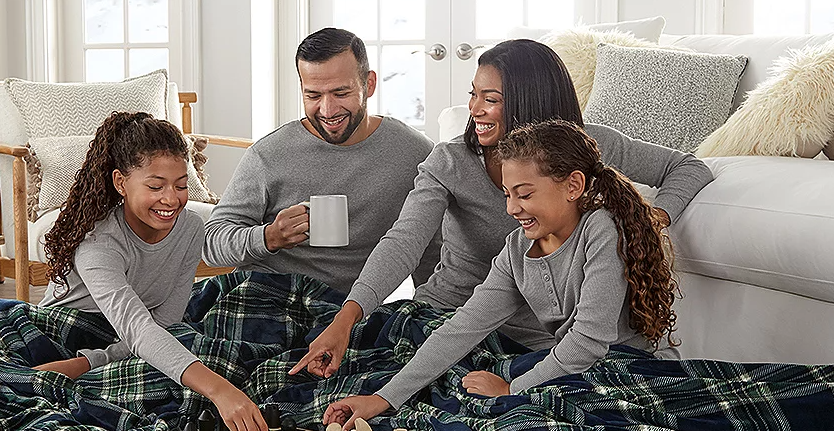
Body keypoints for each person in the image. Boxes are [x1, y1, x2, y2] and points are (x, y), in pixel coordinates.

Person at [292, 39, 710, 378]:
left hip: (537, 339)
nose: (474, 110)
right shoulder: (450, 161)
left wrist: (651, 220)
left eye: (489, 99)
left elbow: (687, 167)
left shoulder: (587, 147)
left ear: (530, 102)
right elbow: (403, 242)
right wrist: (348, 317)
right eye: (473, 95)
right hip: (451, 316)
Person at [323, 119, 680, 427]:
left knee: (510, 421)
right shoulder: (517, 248)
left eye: (524, 195)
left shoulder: (602, 230)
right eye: (508, 195)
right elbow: (464, 326)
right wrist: (383, 399)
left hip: (629, 372)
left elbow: (588, 342)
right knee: (455, 392)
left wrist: (512, 390)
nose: (511, 208)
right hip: (573, 370)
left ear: (573, 186)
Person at [35, 112, 271, 431]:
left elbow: (165, 325)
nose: (171, 199)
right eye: (156, 186)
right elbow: (139, 329)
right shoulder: (98, 242)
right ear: (121, 182)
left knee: (213, 353)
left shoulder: (190, 229)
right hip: (63, 341)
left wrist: (92, 362)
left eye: (181, 185)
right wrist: (220, 390)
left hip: (121, 348)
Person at [202, 27, 440, 295]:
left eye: (341, 93)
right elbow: (212, 243)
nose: (328, 110)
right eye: (313, 95)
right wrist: (270, 237)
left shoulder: (414, 152)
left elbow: (432, 250)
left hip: (347, 307)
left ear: (369, 84)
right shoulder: (269, 154)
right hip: (265, 292)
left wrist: (427, 308)